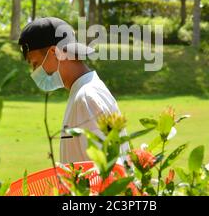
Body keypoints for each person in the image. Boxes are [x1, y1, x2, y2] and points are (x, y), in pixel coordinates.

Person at [18, 17, 129, 164]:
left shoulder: (86, 98)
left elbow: (107, 172)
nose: (34, 72)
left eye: (35, 64)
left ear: (54, 52)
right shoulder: (86, 91)